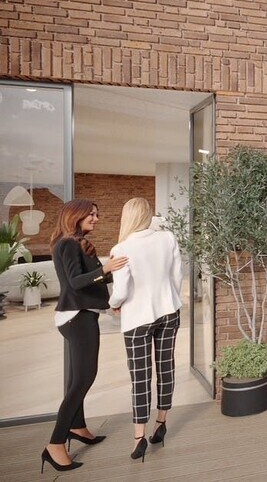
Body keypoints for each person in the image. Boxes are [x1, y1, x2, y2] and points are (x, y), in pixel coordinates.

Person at [42, 200, 128, 473]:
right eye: (91, 214)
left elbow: (90, 280)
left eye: (97, 214)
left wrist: (111, 288)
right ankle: (55, 444)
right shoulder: (67, 244)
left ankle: (77, 426)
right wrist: (105, 269)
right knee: (83, 379)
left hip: (82, 315)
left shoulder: (78, 244)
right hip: (77, 317)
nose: (96, 218)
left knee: (77, 378)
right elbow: (75, 282)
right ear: (75, 216)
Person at [108, 198, 183, 461]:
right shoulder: (168, 238)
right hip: (169, 311)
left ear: (127, 216)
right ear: (148, 215)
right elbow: (177, 276)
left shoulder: (121, 248)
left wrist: (114, 304)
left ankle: (139, 438)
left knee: (140, 377)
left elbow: (120, 291)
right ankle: (161, 423)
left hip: (138, 318)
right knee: (166, 367)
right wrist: (171, 298)